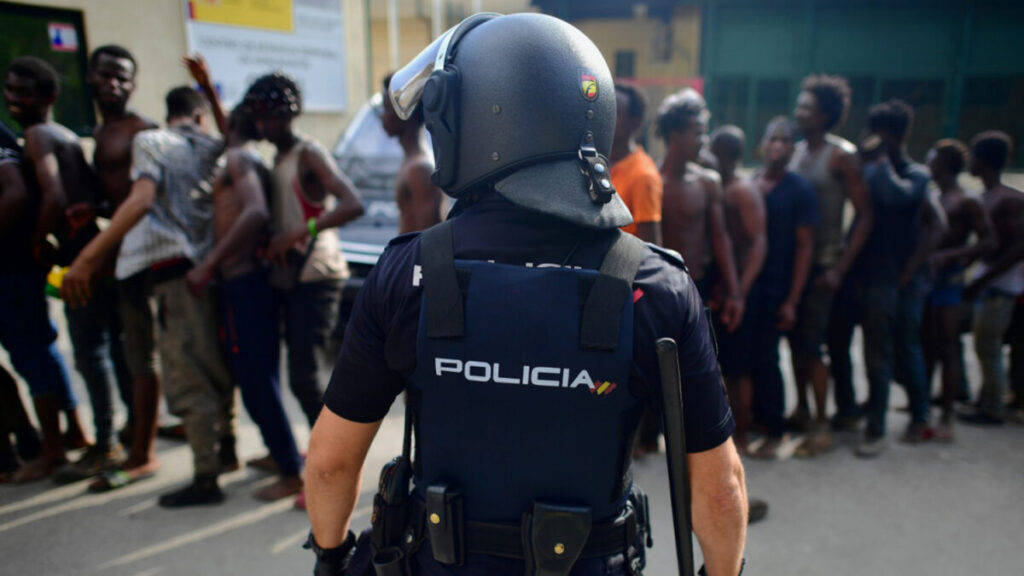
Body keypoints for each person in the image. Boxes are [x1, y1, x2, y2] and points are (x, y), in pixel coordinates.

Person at [305, 13, 746, 576]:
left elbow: (330, 463)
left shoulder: (407, 273)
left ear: (477, 122)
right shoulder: (657, 287)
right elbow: (721, 489)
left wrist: (331, 558)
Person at [62, 86, 234, 506]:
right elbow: (231, 136)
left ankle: (206, 478)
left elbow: (142, 200)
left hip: (170, 274)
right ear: (199, 115)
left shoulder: (151, 141)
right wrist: (211, 90)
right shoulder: (212, 146)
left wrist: (86, 258)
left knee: (185, 374)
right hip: (206, 273)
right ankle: (225, 449)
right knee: (213, 364)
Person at [184, 58, 304, 501]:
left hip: (243, 284)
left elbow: (253, 212)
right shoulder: (240, 155)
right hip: (249, 284)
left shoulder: (237, 158)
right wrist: (209, 92)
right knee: (259, 379)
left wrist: (208, 264)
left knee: (256, 382)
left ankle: (291, 470)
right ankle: (282, 456)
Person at [243, 73, 364, 432]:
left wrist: (299, 232)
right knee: (299, 376)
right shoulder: (278, 156)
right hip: (293, 277)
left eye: (270, 116)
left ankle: (327, 460)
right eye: (259, 117)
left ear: (289, 114)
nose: (264, 125)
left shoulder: (308, 153)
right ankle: (318, 455)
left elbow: (352, 203)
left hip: (317, 275)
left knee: (305, 378)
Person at [4, 57, 94, 482]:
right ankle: (73, 433)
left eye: (25, 91)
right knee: (48, 349)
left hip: (23, 268)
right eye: (10, 90)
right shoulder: (58, 135)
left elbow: (47, 195)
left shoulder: (38, 135)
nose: (14, 99)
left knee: (35, 353)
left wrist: (39, 243)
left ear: (48, 98)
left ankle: (53, 450)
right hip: (56, 262)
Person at [839, 101, 945, 457]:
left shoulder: (916, 176)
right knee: (873, 350)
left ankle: (893, 424)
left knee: (891, 349)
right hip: (867, 275)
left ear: (900, 137)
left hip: (895, 279)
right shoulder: (869, 169)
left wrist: (911, 268)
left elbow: (896, 198)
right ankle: (870, 408)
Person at [87, 43, 163, 482]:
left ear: (133, 83)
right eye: (104, 74)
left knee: (142, 354)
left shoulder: (144, 133)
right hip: (114, 258)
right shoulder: (100, 134)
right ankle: (136, 429)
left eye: (121, 76)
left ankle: (142, 451)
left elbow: (145, 199)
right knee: (120, 351)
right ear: (91, 77)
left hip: (140, 260)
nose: (112, 83)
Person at [787, 74, 871, 455]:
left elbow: (865, 215)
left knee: (811, 346)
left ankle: (822, 424)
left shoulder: (841, 155)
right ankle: (802, 409)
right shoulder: (795, 151)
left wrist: (840, 266)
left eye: (806, 107)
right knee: (794, 344)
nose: (798, 112)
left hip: (823, 266)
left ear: (824, 115)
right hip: (793, 266)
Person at [746, 117, 818, 459]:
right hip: (749, 287)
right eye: (773, 139)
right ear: (762, 145)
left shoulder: (799, 190)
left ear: (792, 149)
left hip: (779, 287)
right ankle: (757, 423)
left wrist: (792, 299)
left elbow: (805, 247)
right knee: (748, 358)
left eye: (786, 141)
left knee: (770, 359)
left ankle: (776, 430)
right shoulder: (751, 184)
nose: (779, 146)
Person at [922, 139, 996, 439]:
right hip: (927, 279)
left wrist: (952, 259)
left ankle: (948, 415)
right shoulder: (933, 196)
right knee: (926, 344)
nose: (927, 162)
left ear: (943, 164)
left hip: (948, 282)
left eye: (932, 157)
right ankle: (923, 406)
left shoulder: (966, 201)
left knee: (948, 347)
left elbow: (988, 242)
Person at [657, 88, 743, 332]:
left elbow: (720, 237)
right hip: (659, 289)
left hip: (698, 286)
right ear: (676, 135)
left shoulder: (708, 182)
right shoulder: (651, 182)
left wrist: (733, 292)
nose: (704, 141)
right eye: (698, 134)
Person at [709, 125, 767, 454]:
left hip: (742, 291)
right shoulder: (720, 187)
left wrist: (739, 293)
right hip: (727, 290)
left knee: (739, 369)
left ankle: (742, 436)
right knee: (724, 367)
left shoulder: (742, 191)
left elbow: (758, 244)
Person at [959, 131, 1024, 426]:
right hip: (990, 284)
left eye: (972, 155)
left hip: (1002, 287)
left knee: (989, 347)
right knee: (984, 345)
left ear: (982, 160)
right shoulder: (985, 198)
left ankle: (993, 407)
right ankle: (985, 398)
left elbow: (1015, 249)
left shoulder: (1009, 201)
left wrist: (982, 280)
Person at [381, 73, 443, 234]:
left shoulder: (419, 169)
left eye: (386, 108)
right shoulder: (411, 163)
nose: (382, 116)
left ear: (405, 112)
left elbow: (431, 239)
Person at [610, 81, 662, 244]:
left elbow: (651, 247)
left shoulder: (643, 175)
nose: (605, 117)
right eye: (604, 109)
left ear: (636, 122)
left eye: (615, 112)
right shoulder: (592, 161)